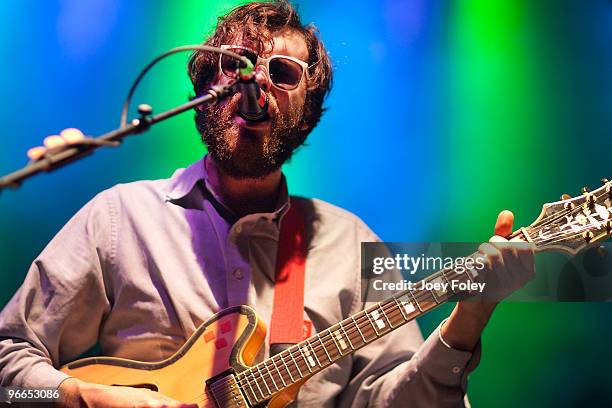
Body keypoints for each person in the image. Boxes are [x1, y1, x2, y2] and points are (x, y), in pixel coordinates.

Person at [0, 1, 534, 407]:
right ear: (205, 83)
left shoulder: (351, 242)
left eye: (282, 75)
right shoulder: (118, 219)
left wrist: (465, 325)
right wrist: (86, 397)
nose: (255, 83)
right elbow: (10, 375)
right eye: (237, 64)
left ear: (306, 113)